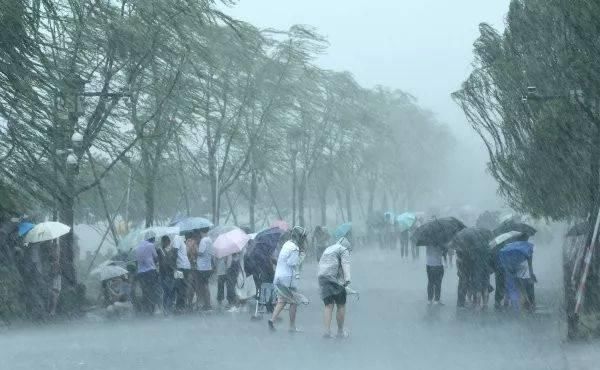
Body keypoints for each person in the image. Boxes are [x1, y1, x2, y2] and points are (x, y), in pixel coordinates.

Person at [268, 226, 308, 332]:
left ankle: (272, 320)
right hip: (288, 278)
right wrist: (302, 256)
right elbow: (293, 263)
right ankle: (292, 326)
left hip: (279, 276)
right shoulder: (295, 248)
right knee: (294, 302)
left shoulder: (287, 244)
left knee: (282, 300)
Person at [318, 236, 351, 338]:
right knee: (341, 305)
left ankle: (327, 331)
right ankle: (340, 332)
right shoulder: (343, 249)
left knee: (328, 306)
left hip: (322, 278)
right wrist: (347, 279)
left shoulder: (328, 249)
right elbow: (346, 264)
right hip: (335, 280)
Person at [135, 232, 160, 315]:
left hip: (141, 273)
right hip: (150, 271)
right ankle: (153, 309)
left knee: (145, 291)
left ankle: (146, 309)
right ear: (152, 238)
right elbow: (156, 258)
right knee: (153, 290)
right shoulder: (150, 245)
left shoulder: (138, 246)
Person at [157, 235, 177, 314]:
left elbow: (173, 260)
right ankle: (166, 308)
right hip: (164, 274)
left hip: (170, 273)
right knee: (167, 291)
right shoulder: (160, 250)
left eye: (168, 242)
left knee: (171, 291)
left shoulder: (171, 250)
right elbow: (162, 261)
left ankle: (169, 307)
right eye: (164, 242)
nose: (167, 243)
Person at [195, 228, 213, 311]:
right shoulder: (210, 240)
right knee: (205, 285)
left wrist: (195, 249)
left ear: (201, 232)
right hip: (208, 266)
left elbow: (200, 252)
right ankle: (207, 304)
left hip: (202, 267)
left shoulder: (203, 241)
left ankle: (206, 304)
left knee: (202, 286)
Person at [173, 234, 192, 312]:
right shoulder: (183, 240)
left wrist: (173, 266)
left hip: (180, 267)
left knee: (179, 286)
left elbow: (175, 252)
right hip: (185, 267)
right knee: (183, 287)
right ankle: (182, 305)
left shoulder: (177, 238)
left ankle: (179, 306)